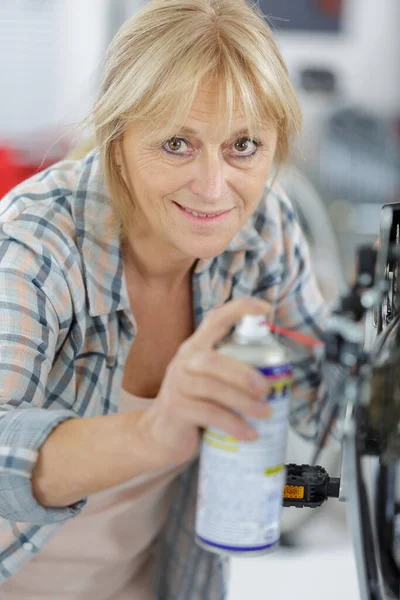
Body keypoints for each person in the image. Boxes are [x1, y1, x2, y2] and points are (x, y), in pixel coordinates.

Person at [0, 0, 327, 598]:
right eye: (177, 143)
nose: (211, 187)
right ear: (117, 139)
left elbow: (328, 404)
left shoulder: (264, 229)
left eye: (244, 145)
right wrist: (156, 431)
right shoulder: (37, 241)